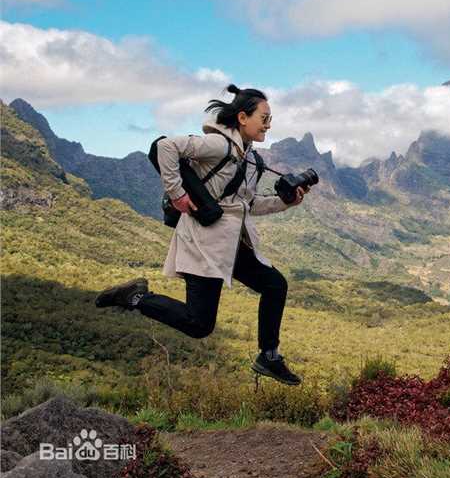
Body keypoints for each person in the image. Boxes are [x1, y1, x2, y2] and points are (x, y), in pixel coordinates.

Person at [95, 84, 307, 386]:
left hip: (230, 243)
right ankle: (134, 297)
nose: (269, 125)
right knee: (198, 324)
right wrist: (178, 193)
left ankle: (269, 356)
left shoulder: (249, 159)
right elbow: (165, 147)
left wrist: (286, 203)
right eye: (265, 117)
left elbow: (247, 206)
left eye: (271, 118)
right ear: (243, 118)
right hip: (203, 244)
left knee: (275, 285)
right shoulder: (217, 146)